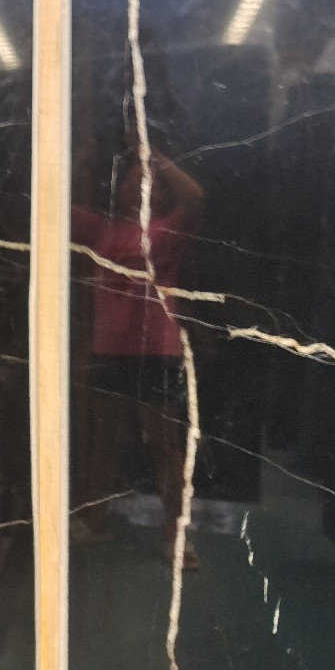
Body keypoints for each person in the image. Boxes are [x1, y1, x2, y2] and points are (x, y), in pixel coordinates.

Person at [71, 139, 204, 569]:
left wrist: (153, 155)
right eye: (132, 178)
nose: (139, 185)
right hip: (109, 349)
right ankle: (93, 520)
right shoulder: (101, 229)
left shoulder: (169, 230)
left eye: (149, 182)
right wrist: (80, 156)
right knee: (102, 441)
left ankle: (176, 537)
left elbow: (196, 196)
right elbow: (50, 205)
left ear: (161, 193)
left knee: (166, 447)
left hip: (158, 349)